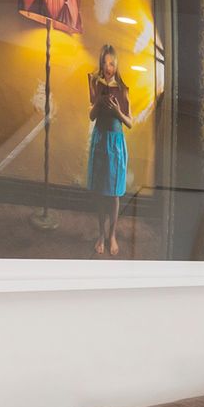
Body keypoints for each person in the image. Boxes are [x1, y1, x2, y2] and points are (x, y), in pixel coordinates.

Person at [87, 44, 133, 257]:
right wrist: (98, 102)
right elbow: (91, 116)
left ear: (116, 64)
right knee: (100, 192)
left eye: (112, 63)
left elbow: (130, 122)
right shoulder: (96, 84)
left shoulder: (123, 89)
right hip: (100, 141)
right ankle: (100, 234)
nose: (108, 67)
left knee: (114, 194)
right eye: (104, 63)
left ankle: (112, 235)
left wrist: (117, 111)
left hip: (116, 145)